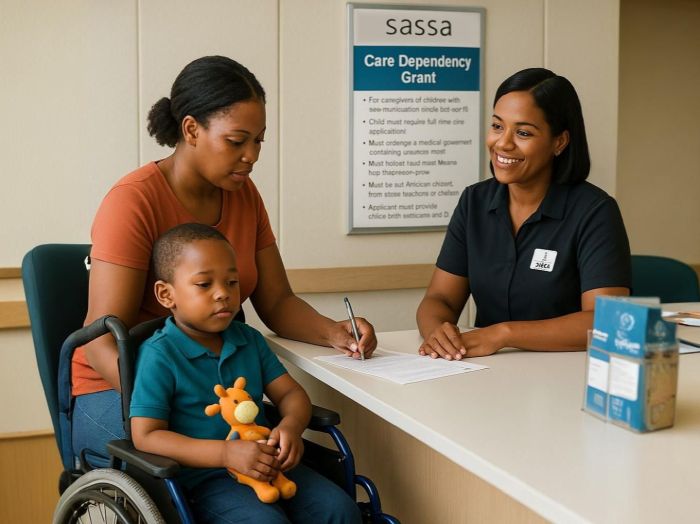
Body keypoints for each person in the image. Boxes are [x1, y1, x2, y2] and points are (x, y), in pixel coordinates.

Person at [72, 55, 376, 465]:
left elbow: (278, 303)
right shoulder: (133, 201)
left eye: (259, 141)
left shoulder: (245, 195)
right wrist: (173, 400)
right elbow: (100, 340)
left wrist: (336, 333)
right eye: (237, 141)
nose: (252, 155)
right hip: (119, 392)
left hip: (214, 389)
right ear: (192, 130)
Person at [130, 223, 361, 524]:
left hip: (270, 463)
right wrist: (226, 454)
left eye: (232, 282)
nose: (222, 294)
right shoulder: (159, 355)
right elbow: (146, 435)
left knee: (340, 511)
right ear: (166, 294)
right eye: (204, 285)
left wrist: (291, 427)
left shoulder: (249, 340)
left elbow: (290, 393)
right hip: (204, 480)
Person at [416, 68, 631, 359]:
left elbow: (606, 322)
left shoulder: (595, 211)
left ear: (560, 142)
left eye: (523, 132)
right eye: (497, 126)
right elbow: (439, 298)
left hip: (565, 375)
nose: (503, 143)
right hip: (485, 372)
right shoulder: (474, 202)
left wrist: (503, 333)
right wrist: (437, 333)